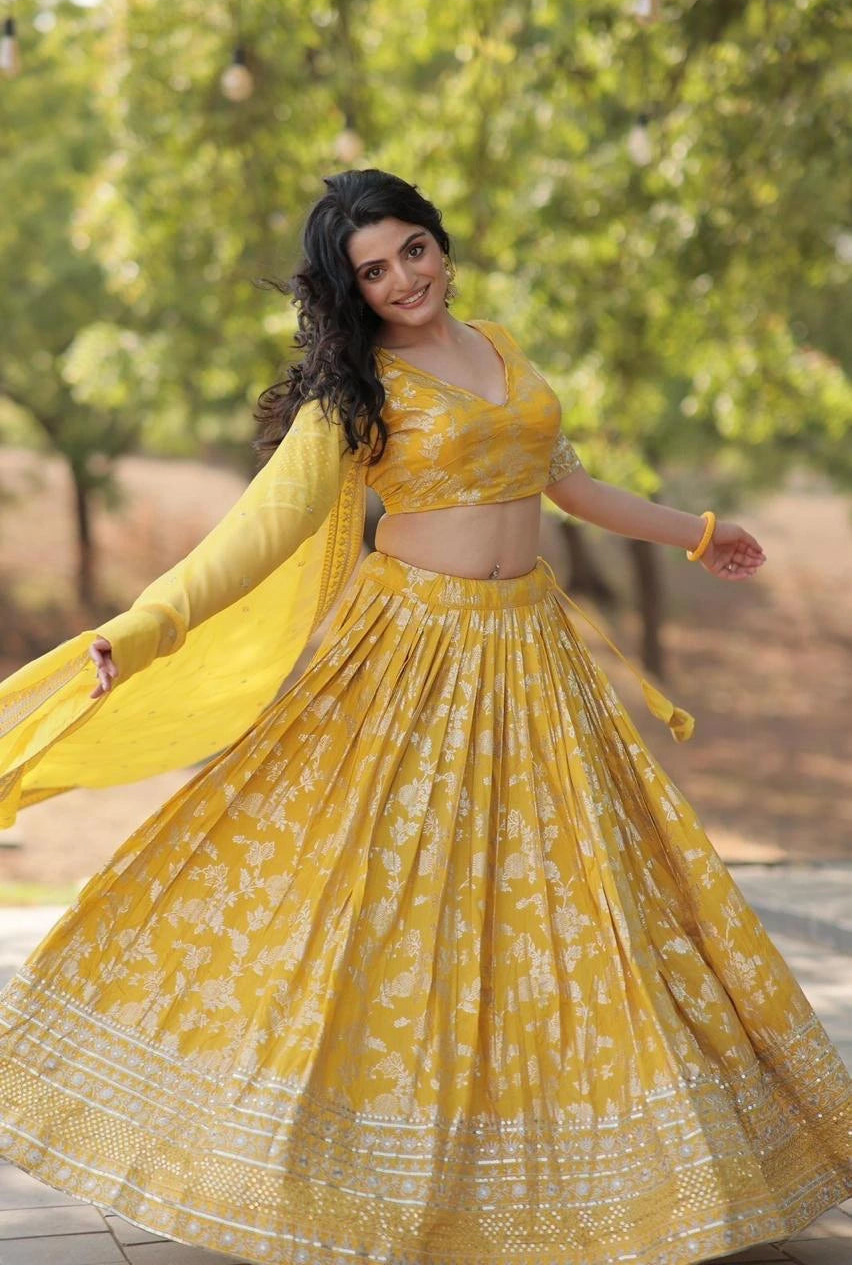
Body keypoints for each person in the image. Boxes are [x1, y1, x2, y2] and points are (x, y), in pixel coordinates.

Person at [0, 168, 848, 1265]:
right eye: (374, 269)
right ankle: (337, 1164)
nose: (404, 279)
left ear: (440, 241)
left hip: (531, 658)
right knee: (373, 902)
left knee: (573, 903)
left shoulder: (497, 346)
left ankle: (576, 1172)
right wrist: (151, 625)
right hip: (409, 662)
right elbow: (259, 530)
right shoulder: (357, 393)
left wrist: (696, 531)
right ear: (349, 291)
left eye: (413, 249)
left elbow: (564, 480)